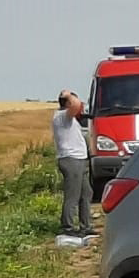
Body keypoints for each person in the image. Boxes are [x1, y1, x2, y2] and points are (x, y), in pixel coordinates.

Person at [51, 89, 96, 237]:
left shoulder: (68, 118)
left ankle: (86, 226)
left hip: (79, 160)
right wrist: (68, 95)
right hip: (71, 160)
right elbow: (77, 105)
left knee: (86, 193)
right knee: (73, 195)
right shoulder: (63, 116)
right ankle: (67, 228)